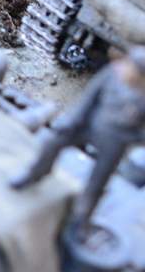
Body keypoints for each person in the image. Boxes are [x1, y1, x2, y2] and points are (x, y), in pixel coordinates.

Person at [11, 47, 145, 235]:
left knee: (98, 181)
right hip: (88, 124)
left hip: (115, 141)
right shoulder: (112, 75)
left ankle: (82, 217)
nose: (126, 70)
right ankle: (35, 173)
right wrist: (72, 121)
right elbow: (89, 98)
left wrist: (130, 138)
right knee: (53, 142)